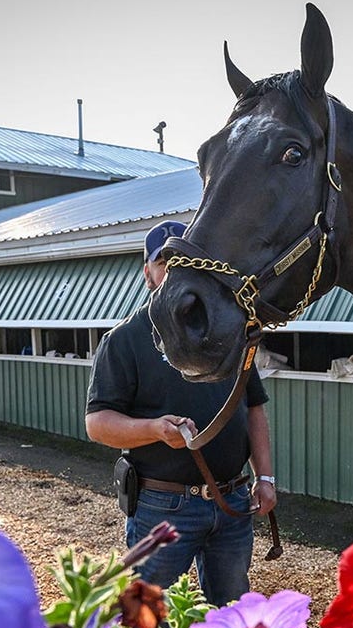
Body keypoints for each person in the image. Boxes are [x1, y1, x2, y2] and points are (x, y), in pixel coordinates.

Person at [85, 220, 277, 607]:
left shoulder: (230, 331)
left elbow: (253, 407)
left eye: (185, 260)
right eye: (165, 262)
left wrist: (266, 477)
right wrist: (154, 429)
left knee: (232, 619)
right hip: (162, 506)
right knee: (144, 623)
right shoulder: (124, 339)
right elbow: (98, 424)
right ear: (148, 273)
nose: (176, 272)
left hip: (233, 501)